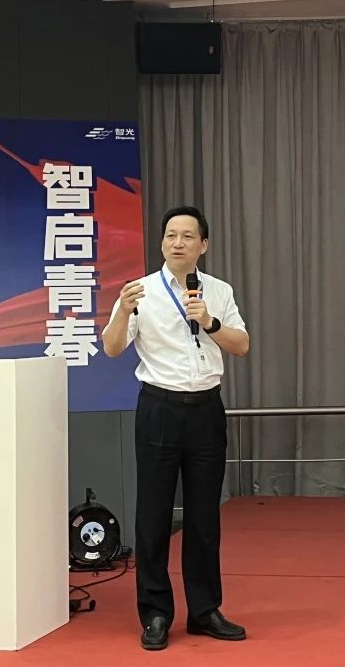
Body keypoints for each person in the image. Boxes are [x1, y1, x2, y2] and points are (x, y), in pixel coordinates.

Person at [102, 205, 249, 651]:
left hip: (206, 409)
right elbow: (112, 348)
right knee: (153, 516)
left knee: (204, 518)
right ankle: (155, 613)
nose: (177, 242)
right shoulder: (139, 291)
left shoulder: (218, 291)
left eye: (187, 236)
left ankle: (204, 611)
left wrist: (209, 321)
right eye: (170, 235)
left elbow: (241, 345)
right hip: (159, 408)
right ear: (162, 242)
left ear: (203, 244)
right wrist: (122, 313)